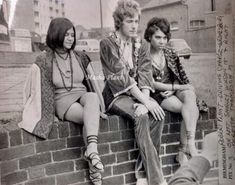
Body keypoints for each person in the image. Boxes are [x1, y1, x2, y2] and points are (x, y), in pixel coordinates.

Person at [18, 17, 104, 185]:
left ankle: (92, 150)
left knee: (93, 98)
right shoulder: (44, 60)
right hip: (63, 100)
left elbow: (93, 84)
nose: (70, 38)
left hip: (83, 95)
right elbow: (31, 88)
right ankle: (94, 166)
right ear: (56, 34)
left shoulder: (80, 57)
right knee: (89, 118)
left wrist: (102, 105)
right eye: (66, 35)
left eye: (72, 35)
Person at [100, 1, 167, 185]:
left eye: (136, 21)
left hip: (136, 95)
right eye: (129, 21)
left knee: (157, 115)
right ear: (119, 22)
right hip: (115, 96)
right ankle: (157, 180)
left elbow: (145, 74)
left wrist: (145, 102)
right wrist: (145, 102)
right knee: (142, 116)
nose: (134, 26)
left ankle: (142, 176)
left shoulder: (142, 44)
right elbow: (122, 78)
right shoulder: (107, 44)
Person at [142, 17, 199, 163]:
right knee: (186, 108)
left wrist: (174, 89)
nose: (162, 41)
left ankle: (190, 145)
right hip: (157, 93)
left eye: (165, 38)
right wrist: (176, 87)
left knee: (190, 96)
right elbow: (150, 83)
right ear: (149, 36)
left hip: (172, 89)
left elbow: (177, 75)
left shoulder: (169, 52)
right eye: (158, 37)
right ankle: (182, 150)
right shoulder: (143, 55)